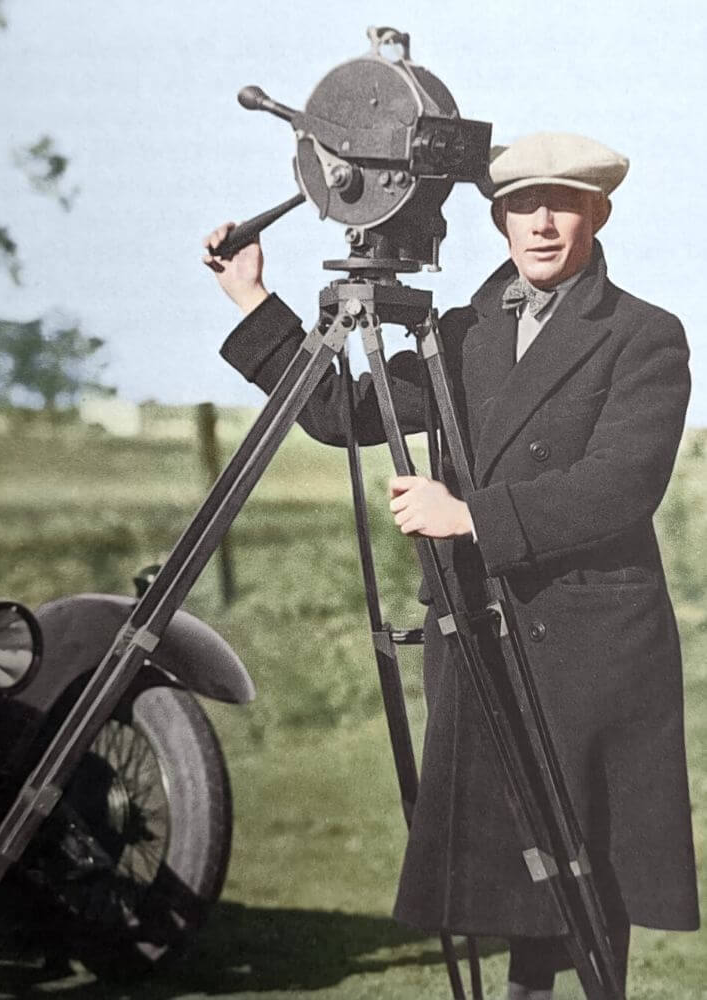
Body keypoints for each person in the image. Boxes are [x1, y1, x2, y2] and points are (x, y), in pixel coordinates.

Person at [203, 132, 698, 999]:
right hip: (485, 634)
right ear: (498, 219)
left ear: (598, 215)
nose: (541, 224)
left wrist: (471, 517)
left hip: (591, 644)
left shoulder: (645, 335)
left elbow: (623, 485)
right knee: (508, 867)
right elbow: (340, 410)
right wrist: (253, 300)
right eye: (521, 206)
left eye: (563, 205)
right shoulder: (461, 332)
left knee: (588, 870)